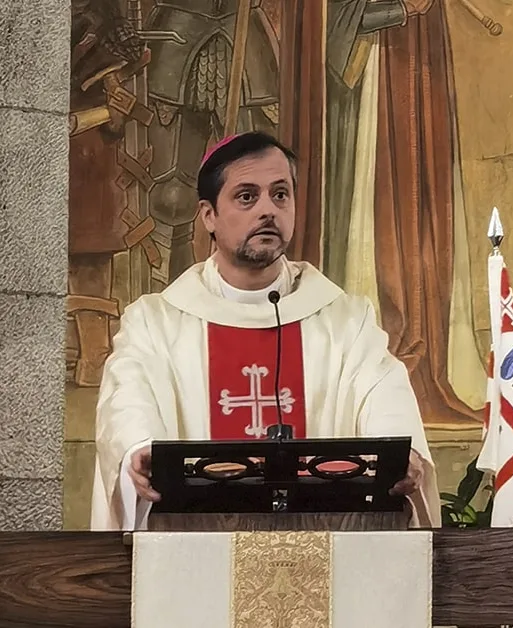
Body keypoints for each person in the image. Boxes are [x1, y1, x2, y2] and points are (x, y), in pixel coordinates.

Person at [90, 131, 440, 531]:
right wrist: (139, 447)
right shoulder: (155, 322)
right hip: (197, 543)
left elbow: (383, 395)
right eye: (246, 196)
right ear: (209, 216)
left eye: (280, 194)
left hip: (325, 539)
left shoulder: (344, 319)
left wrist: (399, 454)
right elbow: (128, 400)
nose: (267, 210)